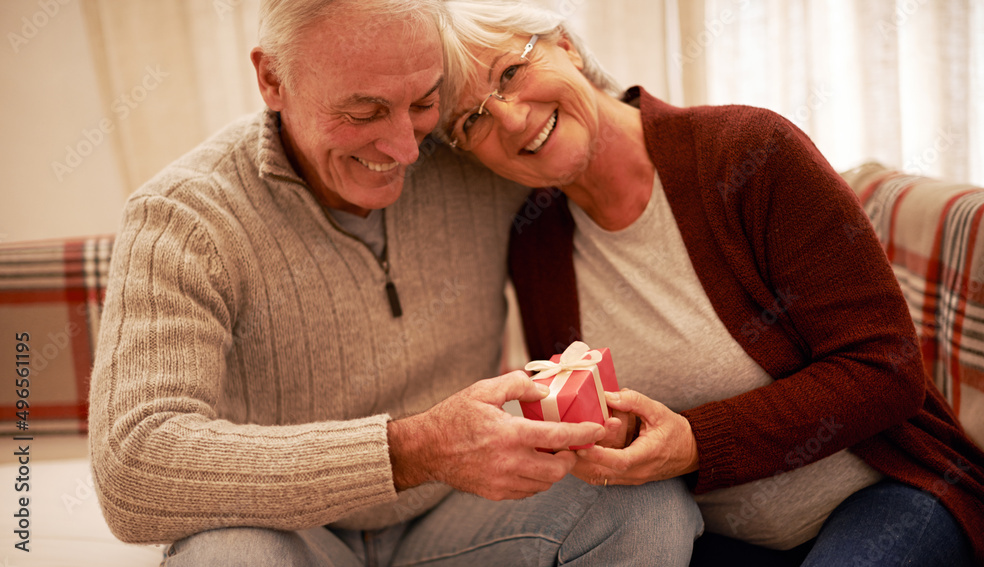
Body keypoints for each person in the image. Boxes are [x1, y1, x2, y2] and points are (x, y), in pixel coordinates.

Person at [88, 1, 703, 565]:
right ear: (273, 79)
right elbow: (133, 464)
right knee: (226, 558)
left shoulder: (469, 147)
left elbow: (581, 129)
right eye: (364, 112)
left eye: (424, 103)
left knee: (644, 507)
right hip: (292, 534)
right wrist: (413, 450)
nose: (407, 148)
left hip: (458, 519)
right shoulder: (184, 216)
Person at [436, 1, 984, 565]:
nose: (510, 119)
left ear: (566, 44)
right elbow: (598, 420)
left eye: (510, 72)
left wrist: (696, 443)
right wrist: (619, 433)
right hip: (714, 535)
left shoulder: (750, 151)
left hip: (886, 493)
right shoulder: (536, 244)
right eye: (472, 120)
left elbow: (887, 368)